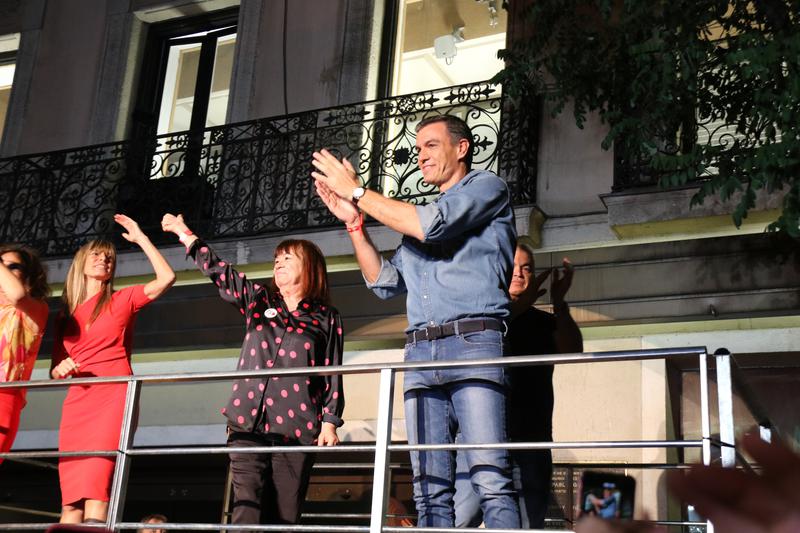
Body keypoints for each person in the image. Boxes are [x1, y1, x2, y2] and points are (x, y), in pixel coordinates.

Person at [312, 114, 519, 528]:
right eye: (418, 146)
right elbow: (385, 282)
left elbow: (434, 225)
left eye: (431, 145)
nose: (420, 155)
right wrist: (354, 223)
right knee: (428, 488)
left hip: (473, 344)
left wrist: (356, 190)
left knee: (490, 477)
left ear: (462, 148)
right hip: (421, 351)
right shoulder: (418, 222)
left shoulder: (486, 187)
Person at [161, 213, 345, 526]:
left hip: (296, 428)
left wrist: (330, 422)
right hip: (247, 421)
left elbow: (333, 370)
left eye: (288, 257)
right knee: (247, 505)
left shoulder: (326, 317)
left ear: (310, 266)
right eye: (276, 258)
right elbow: (220, 272)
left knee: (284, 515)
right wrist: (185, 234)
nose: (279, 263)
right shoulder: (259, 299)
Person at [50, 215, 175, 524]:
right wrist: (61, 369)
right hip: (78, 401)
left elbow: (166, 278)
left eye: (108, 258)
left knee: (97, 491)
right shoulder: (65, 313)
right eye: (96, 254)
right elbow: (54, 369)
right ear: (81, 261)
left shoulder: (122, 299)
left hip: (112, 396)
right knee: (70, 502)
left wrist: (141, 238)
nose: (103, 260)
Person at [454, 242, 583, 528]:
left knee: (526, 525)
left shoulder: (544, 322)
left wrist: (560, 303)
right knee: (459, 520)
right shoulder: (479, 317)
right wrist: (516, 308)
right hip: (479, 440)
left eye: (527, 268)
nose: (520, 273)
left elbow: (574, 350)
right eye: (514, 266)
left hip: (530, 441)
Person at [0, 244, 50, 463]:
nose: (4, 270)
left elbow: (18, 296)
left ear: (29, 277)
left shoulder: (34, 308)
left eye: (12, 266)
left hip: (4, 396)